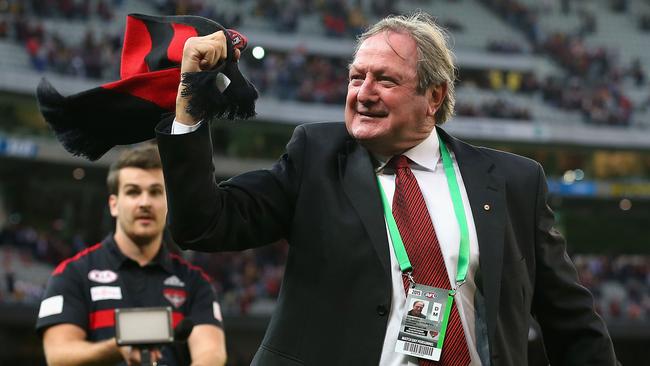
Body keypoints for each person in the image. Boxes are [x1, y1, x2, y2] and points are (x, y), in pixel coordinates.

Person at [155, 12, 617, 366]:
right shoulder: (316, 156)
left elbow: (571, 322)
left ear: (434, 97)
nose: (363, 92)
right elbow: (204, 224)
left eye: (385, 79)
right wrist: (190, 107)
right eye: (357, 76)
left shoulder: (515, 182)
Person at [36, 144, 227, 366]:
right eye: (133, 191)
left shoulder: (195, 283)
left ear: (169, 203)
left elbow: (211, 355)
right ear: (114, 205)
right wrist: (118, 348)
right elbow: (58, 355)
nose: (145, 202)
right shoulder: (72, 274)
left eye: (155, 192)